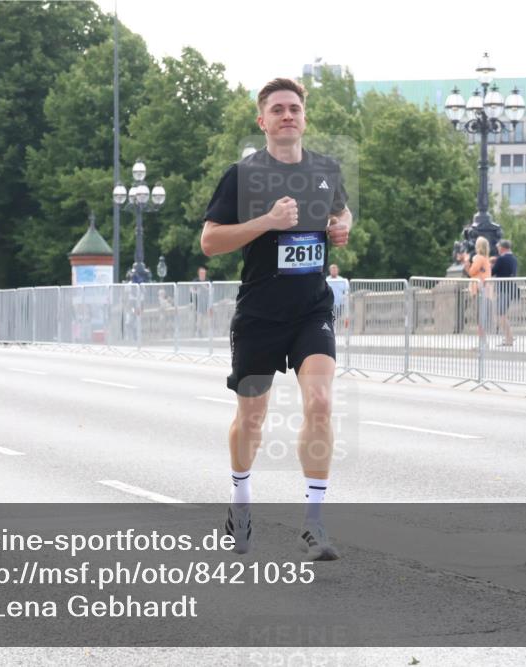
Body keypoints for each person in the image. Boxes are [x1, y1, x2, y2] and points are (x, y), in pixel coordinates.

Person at [202, 77, 352, 561]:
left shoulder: (326, 171)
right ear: (261, 120)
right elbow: (210, 242)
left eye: (294, 108)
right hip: (261, 314)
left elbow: (341, 210)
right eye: (277, 109)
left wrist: (343, 223)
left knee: (322, 402)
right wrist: (266, 222)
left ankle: (314, 524)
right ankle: (241, 506)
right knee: (252, 418)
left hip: (311, 308)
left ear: (304, 117)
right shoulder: (243, 176)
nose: (287, 115)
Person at [492, 239, 518, 346]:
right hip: (510, 290)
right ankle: (509, 337)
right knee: (502, 314)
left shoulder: (501, 259)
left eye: (498, 247)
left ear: (502, 248)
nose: (497, 249)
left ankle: (509, 339)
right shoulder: (514, 259)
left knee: (501, 315)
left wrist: (489, 265)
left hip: (503, 290)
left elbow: (493, 272)